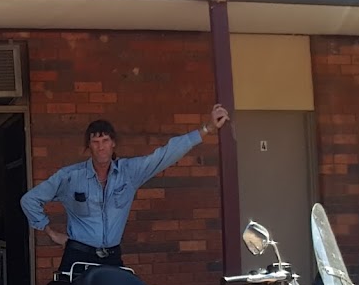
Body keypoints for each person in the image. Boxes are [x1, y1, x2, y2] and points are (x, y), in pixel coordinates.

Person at [21, 105, 230, 274]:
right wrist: (51, 232)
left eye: (105, 141)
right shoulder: (70, 177)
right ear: (89, 146)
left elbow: (165, 155)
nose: (101, 146)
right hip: (78, 256)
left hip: (111, 257)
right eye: (95, 142)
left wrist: (207, 129)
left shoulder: (129, 172)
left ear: (113, 144)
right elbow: (29, 200)